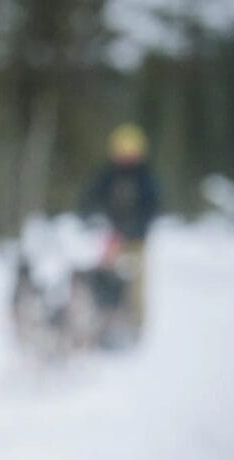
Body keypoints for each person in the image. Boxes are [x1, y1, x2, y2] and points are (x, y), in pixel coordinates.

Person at [82, 123, 161, 334]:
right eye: (122, 153)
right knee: (103, 275)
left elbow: (151, 208)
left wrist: (134, 229)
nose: (126, 158)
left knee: (135, 283)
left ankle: (135, 324)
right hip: (111, 237)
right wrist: (89, 216)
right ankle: (103, 319)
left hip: (135, 240)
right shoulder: (108, 175)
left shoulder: (145, 178)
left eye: (130, 153)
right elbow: (92, 196)